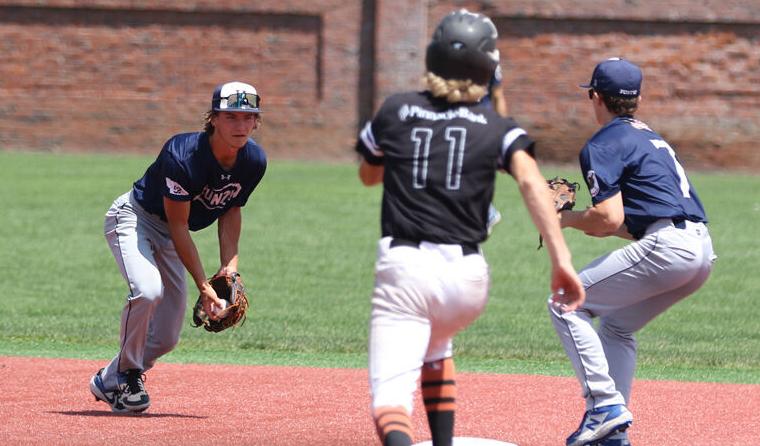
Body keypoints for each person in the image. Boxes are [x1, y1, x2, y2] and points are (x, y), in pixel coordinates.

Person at [356, 9, 585, 446]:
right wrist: (561, 258)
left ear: (432, 57)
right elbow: (533, 183)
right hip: (467, 280)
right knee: (436, 342)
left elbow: (369, 175)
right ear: (488, 67)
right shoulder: (497, 126)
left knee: (389, 403)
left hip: (406, 267)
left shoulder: (396, 109)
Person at [548, 58, 715, 446]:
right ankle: (612, 432)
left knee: (564, 302)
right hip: (700, 251)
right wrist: (579, 219)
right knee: (618, 326)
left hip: (669, 248)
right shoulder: (650, 137)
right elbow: (626, 224)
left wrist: (566, 219)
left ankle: (604, 406)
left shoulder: (603, 142)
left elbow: (606, 219)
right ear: (636, 98)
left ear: (595, 96)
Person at [89, 81, 267, 413]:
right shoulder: (182, 155)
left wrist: (229, 268)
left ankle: (109, 378)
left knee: (167, 337)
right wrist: (202, 285)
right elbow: (178, 225)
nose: (240, 125)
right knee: (147, 290)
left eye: (248, 117)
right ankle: (129, 374)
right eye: (231, 117)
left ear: (256, 121)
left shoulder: (254, 160)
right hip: (135, 218)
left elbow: (231, 209)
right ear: (213, 118)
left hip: (170, 236)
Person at [483, 63, 509, 234]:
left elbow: (498, 95)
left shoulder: (490, 59)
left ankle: (486, 212)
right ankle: (486, 211)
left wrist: (505, 135)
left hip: (479, 124)